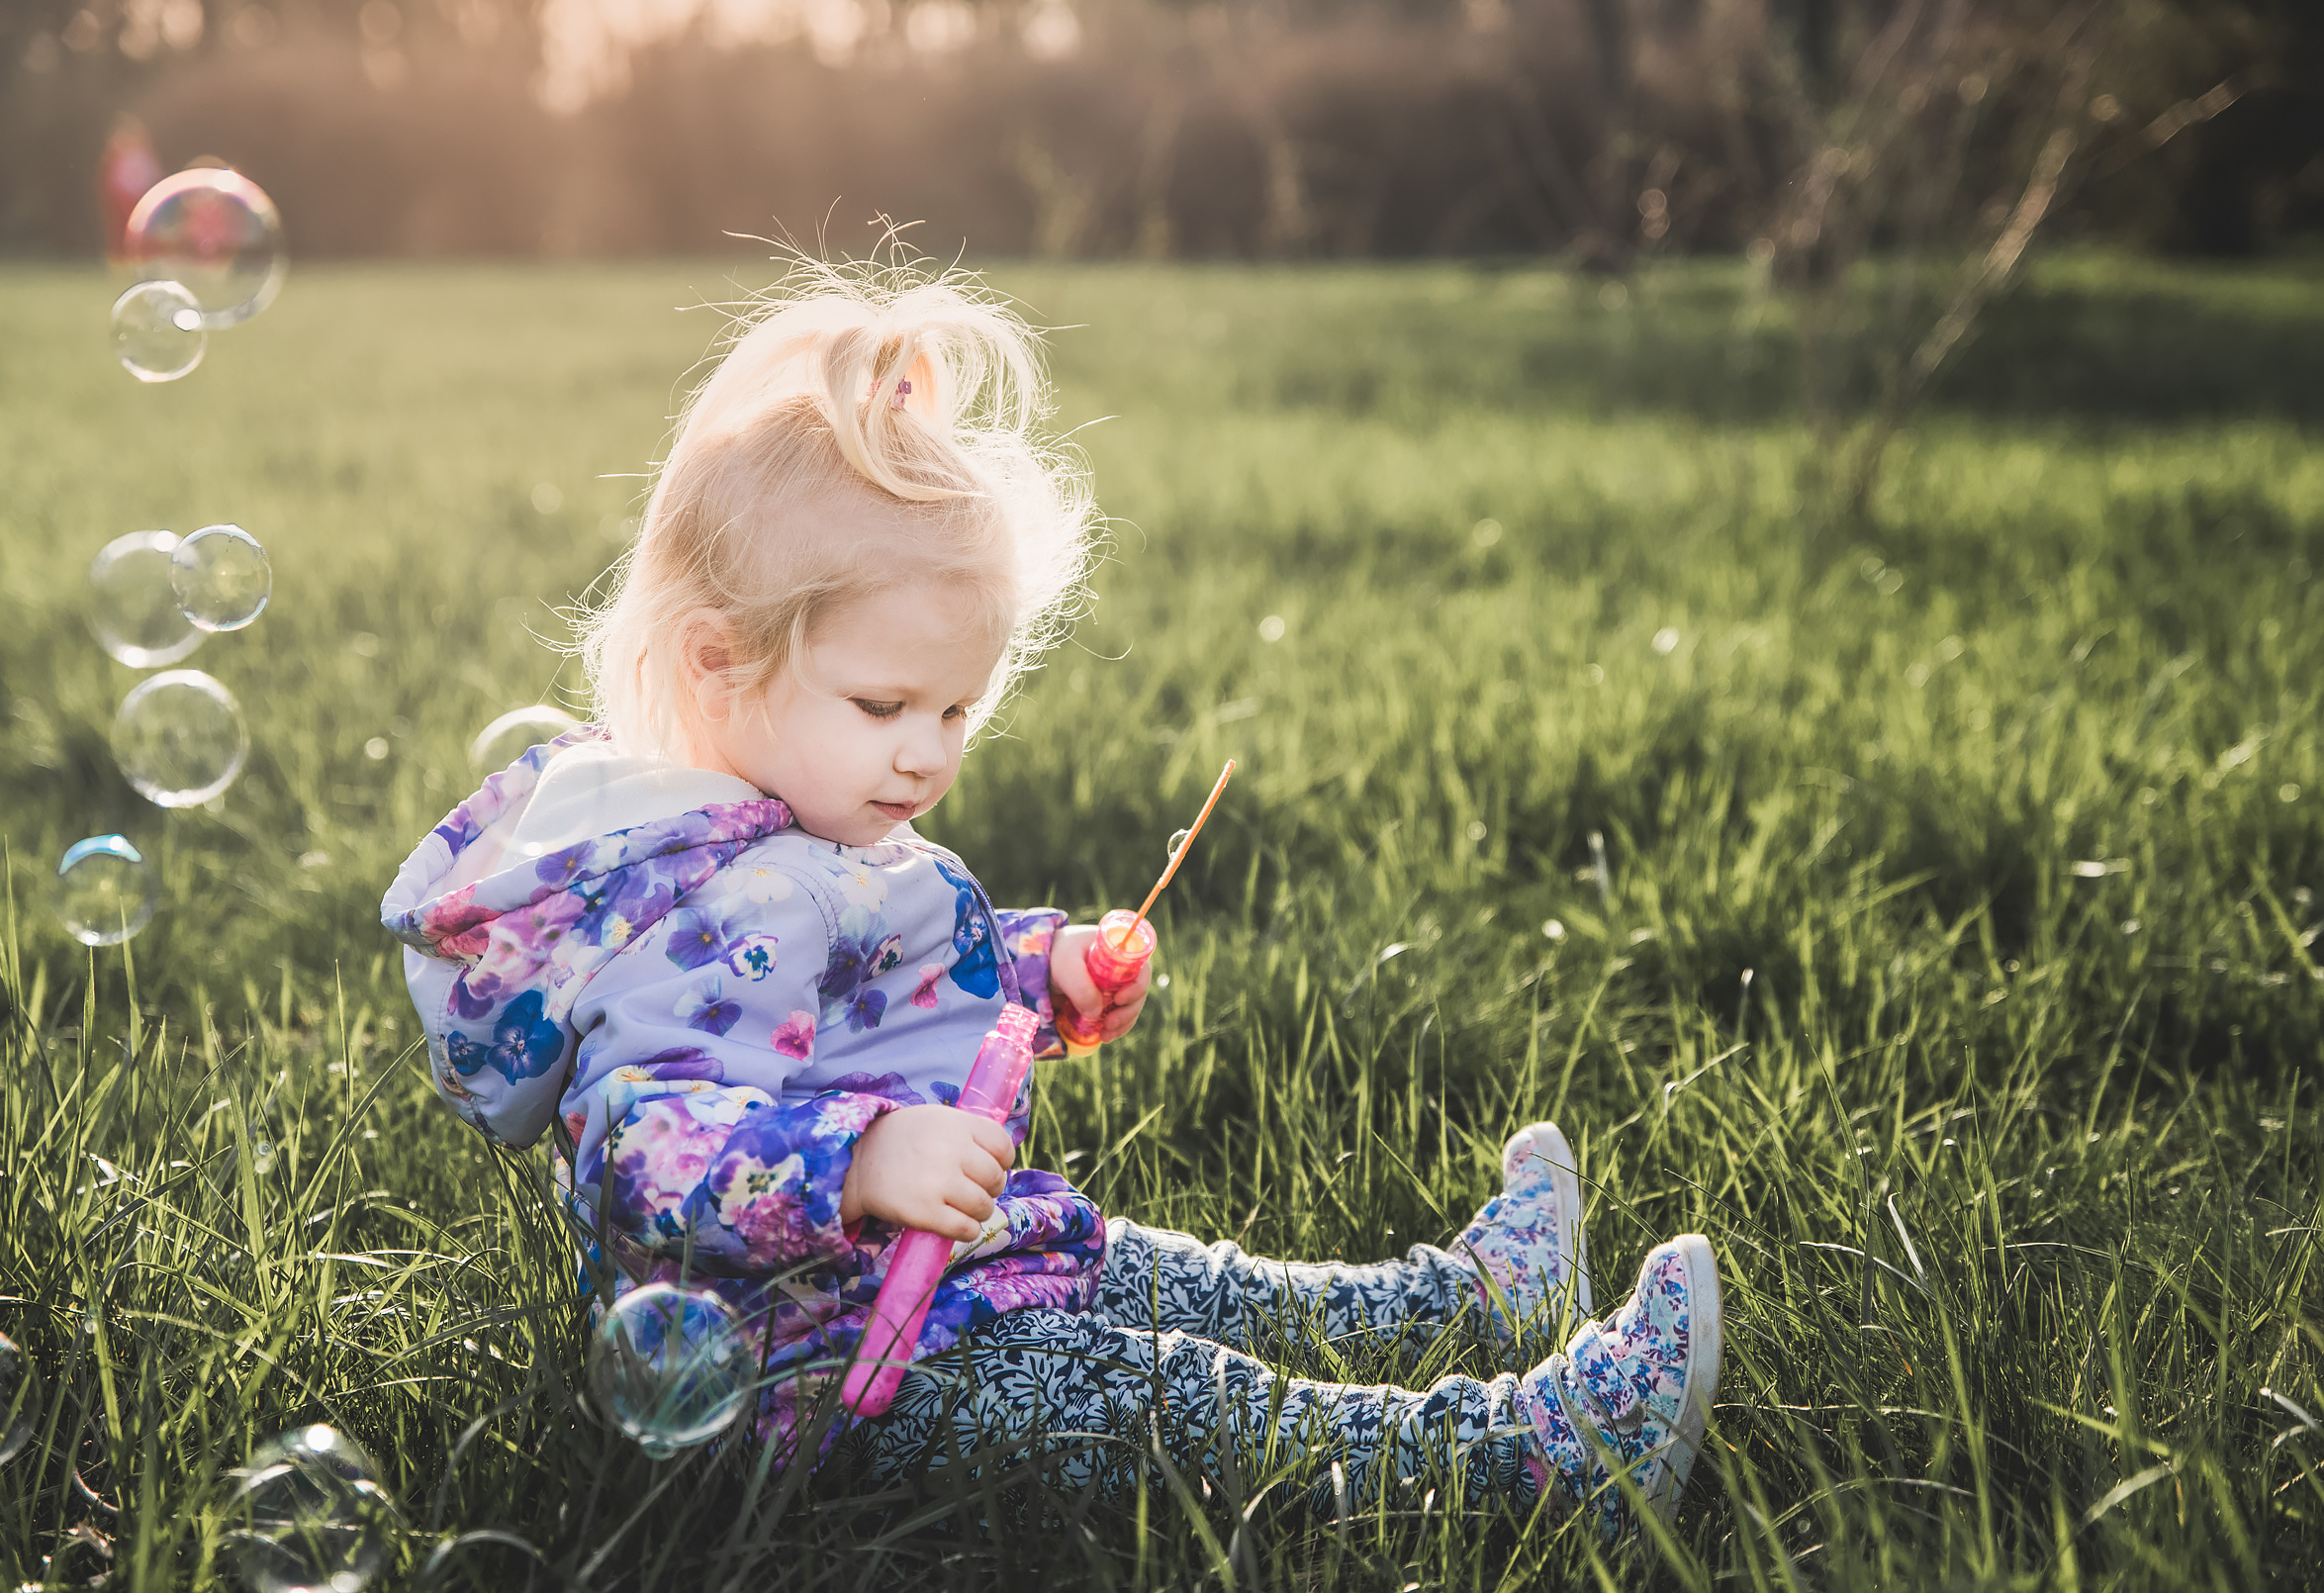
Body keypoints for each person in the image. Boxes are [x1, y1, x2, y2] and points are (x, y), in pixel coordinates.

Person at [380, 254, 1722, 1538]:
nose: (928, 752)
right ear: (718, 663)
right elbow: (644, 1148)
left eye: (956, 707)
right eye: (884, 704)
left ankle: (1464, 1302)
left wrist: (1045, 971)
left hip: (936, 1286)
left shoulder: (797, 836)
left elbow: (883, 981)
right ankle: (1527, 1463)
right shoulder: (681, 903)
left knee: (1184, 1281)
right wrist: (859, 1161)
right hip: (818, 1381)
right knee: (1168, 1397)